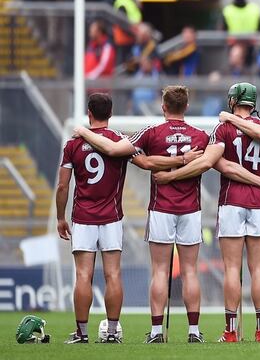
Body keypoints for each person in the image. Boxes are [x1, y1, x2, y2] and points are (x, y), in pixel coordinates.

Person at [75, 86, 218, 343]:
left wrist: (84, 131)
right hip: (190, 209)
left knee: (161, 271)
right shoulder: (201, 136)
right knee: (190, 272)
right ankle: (194, 331)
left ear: (163, 107)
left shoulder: (152, 133)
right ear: (186, 107)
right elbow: (207, 163)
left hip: (161, 208)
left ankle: (155, 332)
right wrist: (184, 161)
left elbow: (115, 150)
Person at [205, 84, 260, 343]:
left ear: (234, 100)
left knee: (232, 269)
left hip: (232, 201)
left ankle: (230, 331)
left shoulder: (223, 127)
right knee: (258, 268)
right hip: (259, 203)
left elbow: (222, 165)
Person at [56, 94, 128, 344]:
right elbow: (145, 161)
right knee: (113, 275)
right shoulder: (120, 140)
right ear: (110, 113)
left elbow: (63, 187)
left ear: (89, 112)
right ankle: (111, 333)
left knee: (83, 276)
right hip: (112, 216)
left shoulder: (73, 145)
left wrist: (59, 217)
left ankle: (82, 333)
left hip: (83, 217)